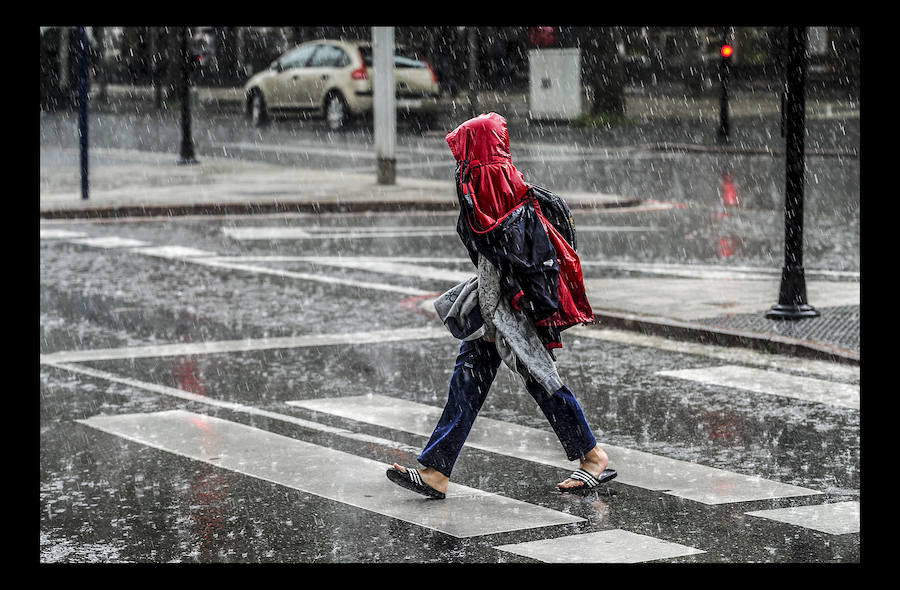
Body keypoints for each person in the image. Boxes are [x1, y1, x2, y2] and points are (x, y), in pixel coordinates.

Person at [386, 113, 616, 499]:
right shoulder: (501, 183)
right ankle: (437, 470)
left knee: (539, 378)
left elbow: (497, 257)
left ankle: (592, 456)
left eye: (464, 160)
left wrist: (492, 320)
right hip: (501, 307)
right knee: (471, 381)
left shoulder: (490, 188)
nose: (459, 170)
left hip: (508, 310)